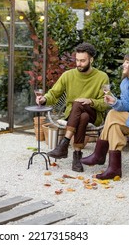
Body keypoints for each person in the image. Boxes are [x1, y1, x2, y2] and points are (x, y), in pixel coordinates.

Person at [36, 42, 109, 172]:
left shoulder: (102, 77)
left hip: (94, 113)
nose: (79, 64)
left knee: (80, 106)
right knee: (82, 115)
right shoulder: (68, 75)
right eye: (77, 60)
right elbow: (54, 93)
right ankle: (77, 156)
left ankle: (64, 143)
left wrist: (90, 101)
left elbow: (105, 103)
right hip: (74, 115)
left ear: (91, 60)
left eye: (82, 61)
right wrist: (44, 99)